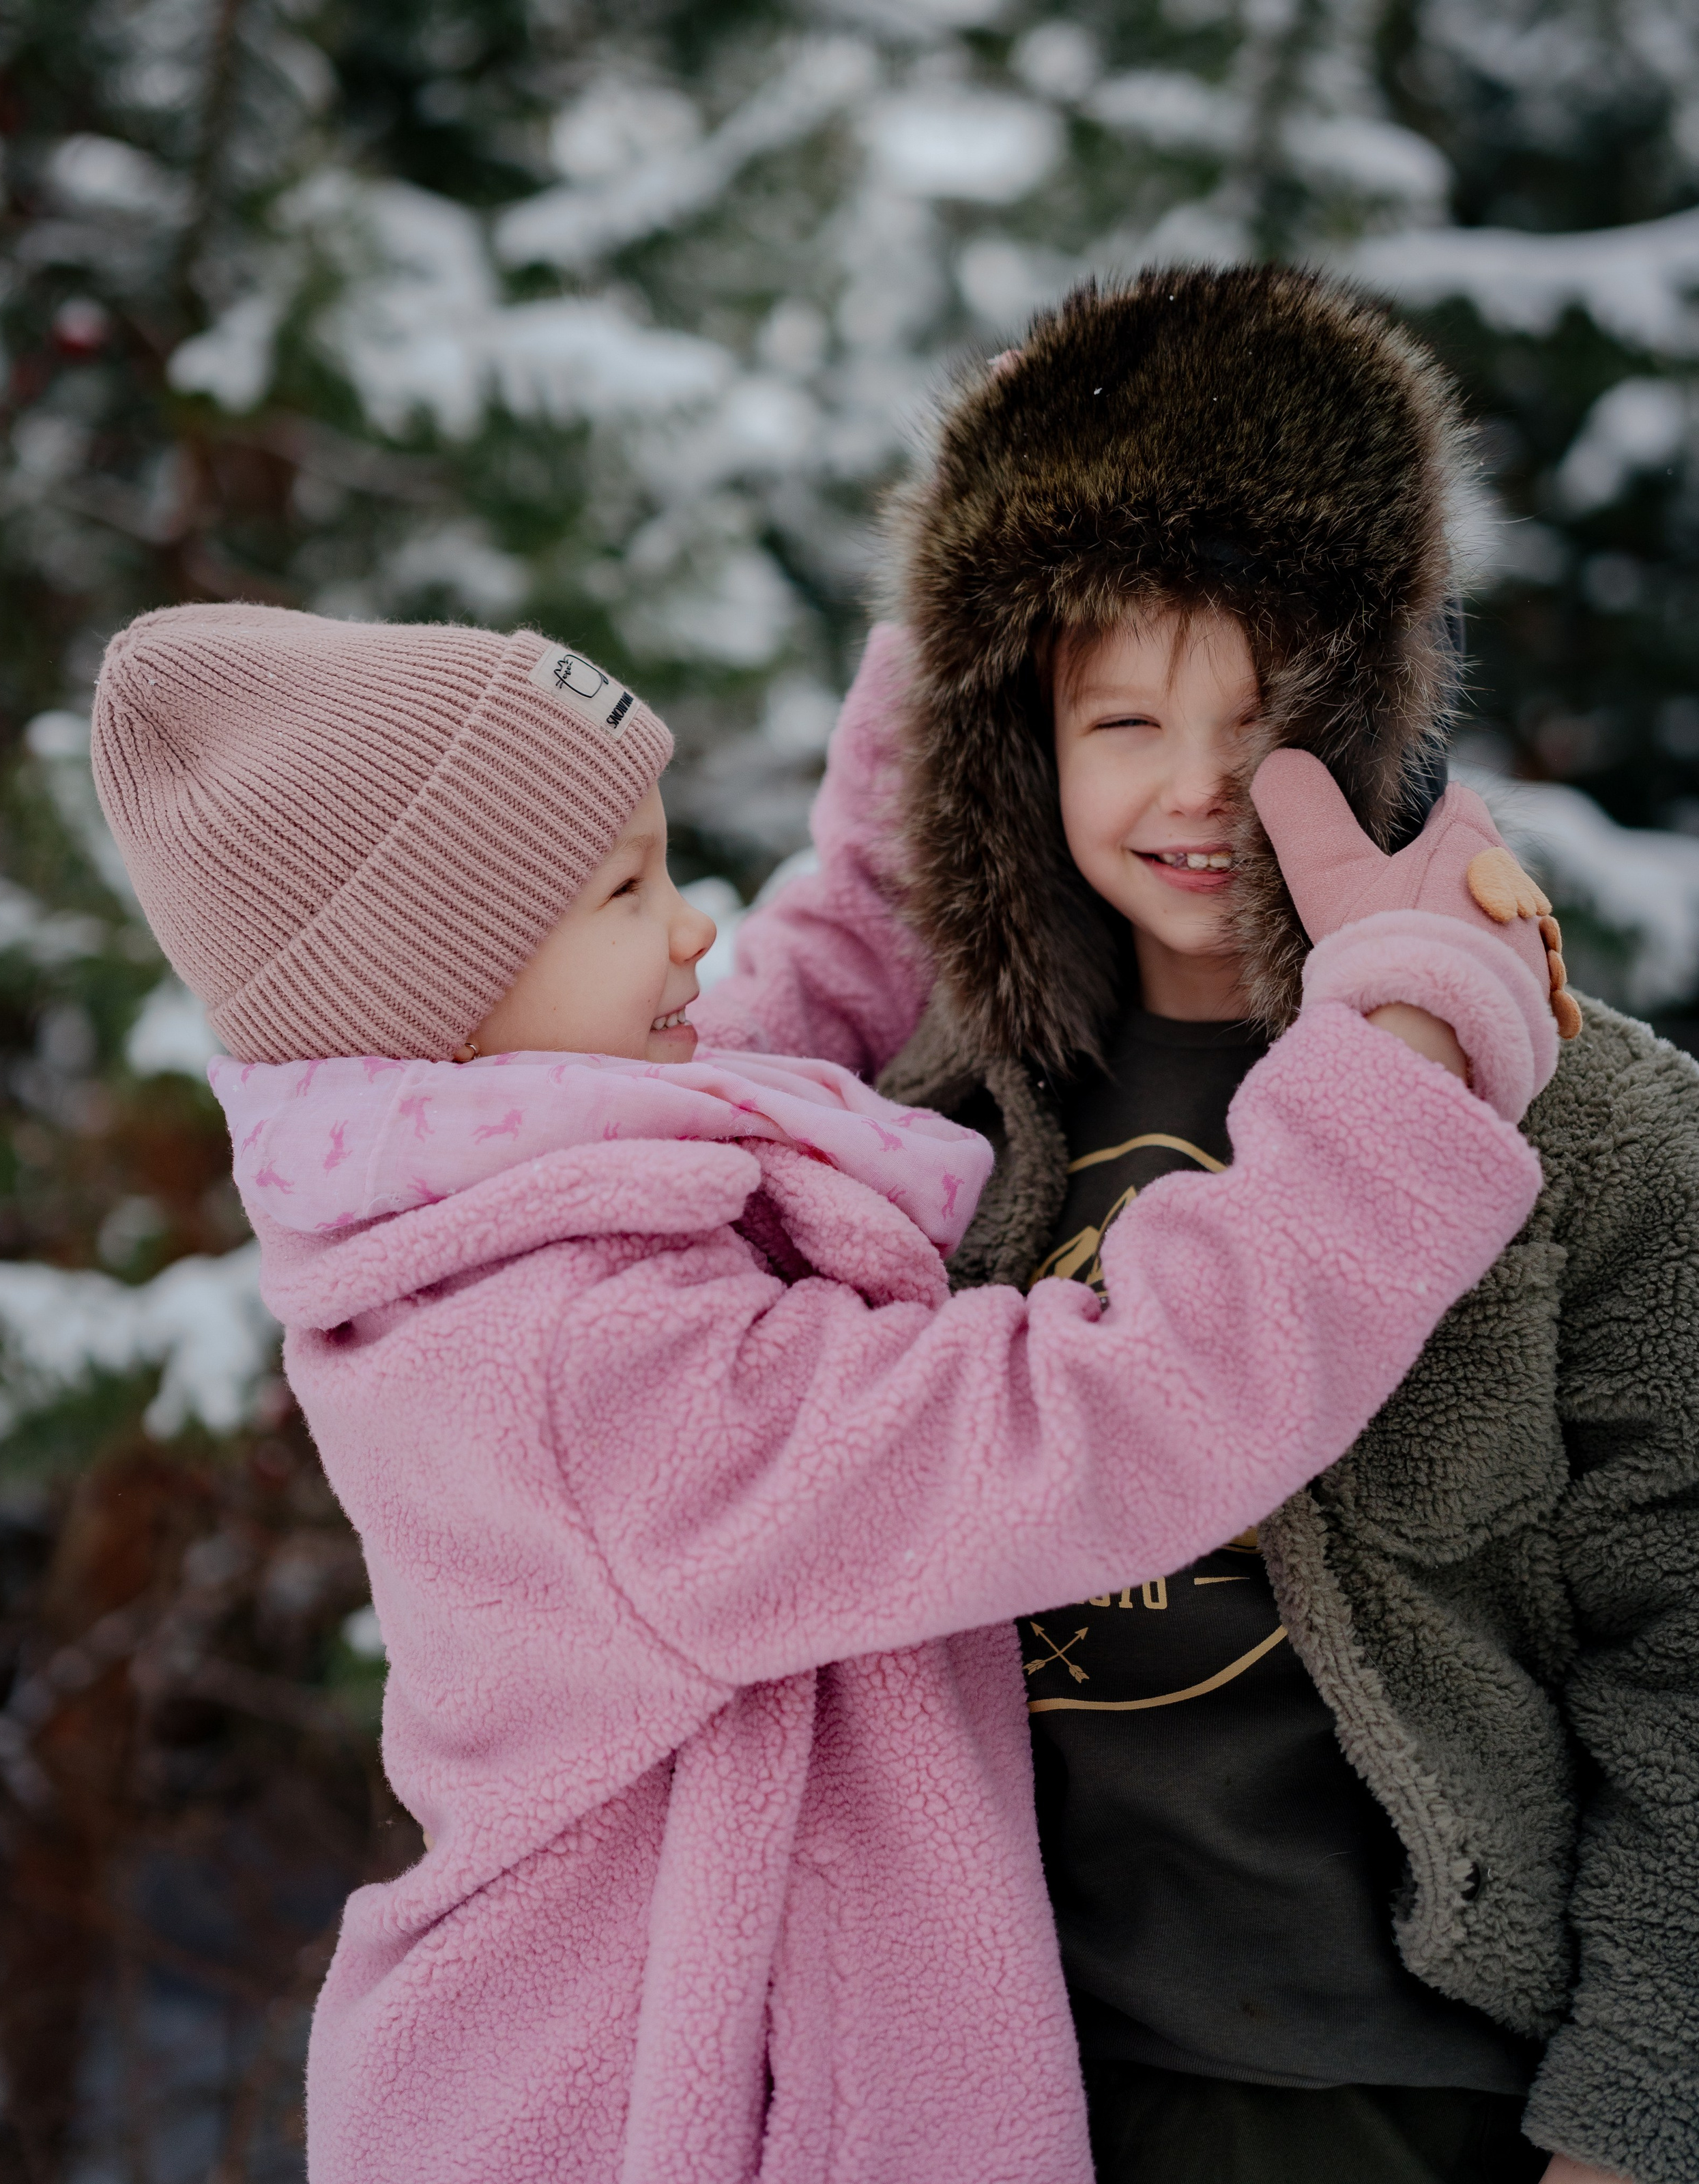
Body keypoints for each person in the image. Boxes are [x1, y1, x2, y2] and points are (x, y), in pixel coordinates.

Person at [85, 597, 1556, 2184]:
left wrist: (959, 618)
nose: (690, 930)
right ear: (445, 985)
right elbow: (1103, 1412)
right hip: (658, 2119)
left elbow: (840, 949)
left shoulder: (493, 1152)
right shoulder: (572, 1369)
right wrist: (1402, 1056)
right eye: (624, 889)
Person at [694, 266, 1697, 2184]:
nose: (1195, 789)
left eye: (1265, 714)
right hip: (986, 2082)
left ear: (1374, 699)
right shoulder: (922, 1125)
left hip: (1393, 2090)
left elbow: (1689, 1650)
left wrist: (1641, 2118)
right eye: (1123, 717)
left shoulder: (1582, 1123)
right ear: (1016, 747)